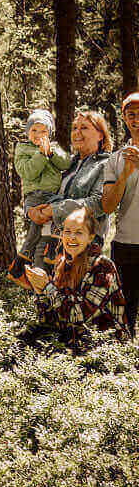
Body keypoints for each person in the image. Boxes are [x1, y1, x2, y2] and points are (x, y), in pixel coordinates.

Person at [22, 207, 129, 349]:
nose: (72, 237)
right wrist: (40, 291)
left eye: (79, 233)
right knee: (24, 339)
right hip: (73, 336)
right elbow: (50, 318)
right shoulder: (63, 263)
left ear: (90, 237)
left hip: (104, 345)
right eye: (67, 232)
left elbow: (79, 316)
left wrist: (47, 287)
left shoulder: (102, 266)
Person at [24, 110, 112, 270]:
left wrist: (54, 210)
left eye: (84, 128)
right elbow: (39, 188)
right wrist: (30, 210)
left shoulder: (106, 164)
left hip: (81, 245)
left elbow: (99, 203)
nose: (77, 132)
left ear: (101, 135)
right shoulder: (67, 163)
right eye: (74, 128)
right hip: (47, 241)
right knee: (42, 284)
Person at [9, 109, 73, 278]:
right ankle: (25, 256)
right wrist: (42, 154)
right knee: (37, 224)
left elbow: (66, 163)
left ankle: (38, 258)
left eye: (43, 131)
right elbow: (28, 172)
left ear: (49, 133)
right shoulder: (23, 148)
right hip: (35, 195)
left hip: (54, 195)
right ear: (27, 131)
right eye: (34, 130)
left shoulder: (53, 148)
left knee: (56, 221)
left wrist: (50, 152)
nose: (38, 135)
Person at [102, 92, 139, 335]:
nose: (136, 119)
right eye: (131, 114)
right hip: (126, 244)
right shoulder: (115, 160)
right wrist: (125, 175)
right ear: (124, 118)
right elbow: (107, 206)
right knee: (125, 319)